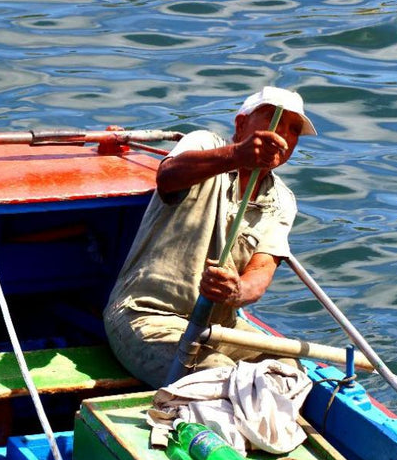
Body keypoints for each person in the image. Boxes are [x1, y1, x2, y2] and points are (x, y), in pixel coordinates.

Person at [103, 86, 317, 388]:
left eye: (293, 130)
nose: (282, 135)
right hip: (145, 317)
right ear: (241, 124)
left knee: (288, 372)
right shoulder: (204, 143)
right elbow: (168, 176)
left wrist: (236, 292)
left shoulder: (283, 200)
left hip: (219, 327)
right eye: (273, 120)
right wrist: (238, 155)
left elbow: (260, 271)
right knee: (218, 376)